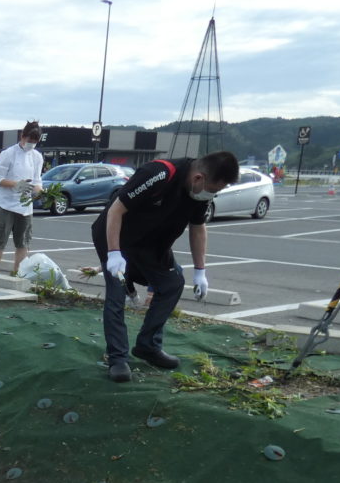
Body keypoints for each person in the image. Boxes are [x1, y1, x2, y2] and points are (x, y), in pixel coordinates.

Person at [91, 151, 238, 383]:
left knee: (172, 283)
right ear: (198, 178)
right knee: (117, 293)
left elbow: (198, 227)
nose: (213, 195)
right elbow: (115, 210)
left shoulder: (199, 194)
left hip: (152, 243)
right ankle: (118, 359)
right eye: (213, 190)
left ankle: (148, 346)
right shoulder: (159, 174)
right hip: (118, 238)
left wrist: (201, 271)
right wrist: (114, 254)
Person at [0, 121, 44, 275]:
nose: (31, 144)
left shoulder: (37, 157)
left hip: (25, 207)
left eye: (35, 142)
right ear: (22, 136)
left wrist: (39, 190)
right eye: (29, 141)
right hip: (6, 204)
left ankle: (17, 273)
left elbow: (37, 179)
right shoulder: (8, 153)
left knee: (23, 242)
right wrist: (17, 185)